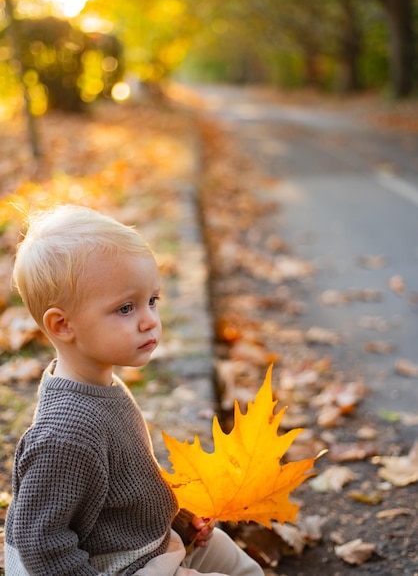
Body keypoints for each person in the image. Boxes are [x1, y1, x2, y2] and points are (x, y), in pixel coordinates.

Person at [5, 205, 263, 576]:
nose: (149, 321)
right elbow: (38, 541)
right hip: (121, 567)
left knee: (232, 559)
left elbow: (134, 486)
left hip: (148, 543)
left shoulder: (102, 386)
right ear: (63, 325)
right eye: (126, 308)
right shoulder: (64, 435)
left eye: (152, 301)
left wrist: (182, 518)